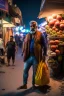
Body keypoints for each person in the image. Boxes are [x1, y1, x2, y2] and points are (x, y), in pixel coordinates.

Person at [17, 21, 47, 89]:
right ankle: (24, 84)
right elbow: (24, 44)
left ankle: (33, 85)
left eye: (34, 26)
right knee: (25, 70)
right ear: (30, 27)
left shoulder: (40, 34)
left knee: (34, 72)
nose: (32, 27)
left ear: (36, 27)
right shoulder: (27, 35)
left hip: (36, 57)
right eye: (31, 26)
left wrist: (44, 54)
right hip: (28, 56)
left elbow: (45, 45)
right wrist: (23, 52)